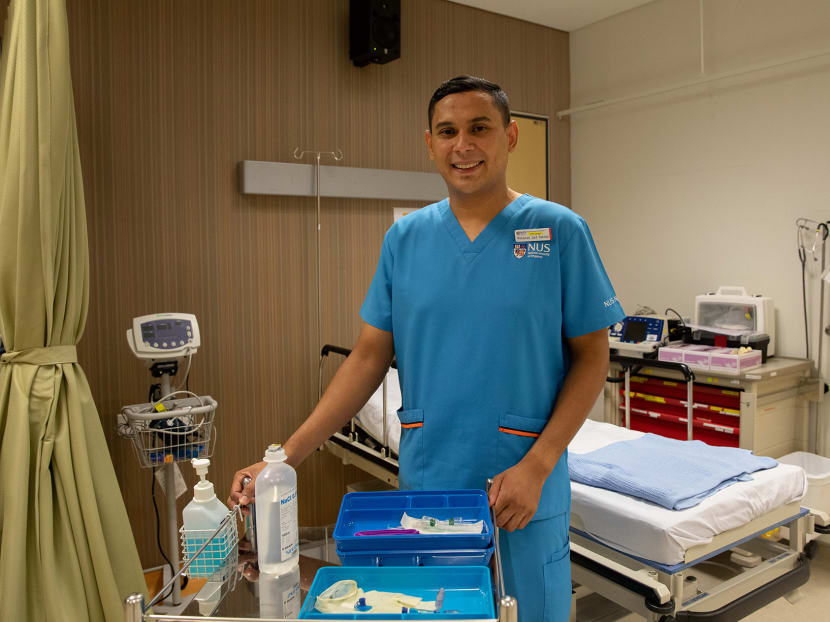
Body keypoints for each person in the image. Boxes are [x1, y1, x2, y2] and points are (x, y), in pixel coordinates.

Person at [228, 75, 624, 622]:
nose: (463, 145)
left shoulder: (558, 231)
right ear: (430, 144)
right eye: (448, 131)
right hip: (428, 487)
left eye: (479, 128)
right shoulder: (406, 240)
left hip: (523, 486)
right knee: (431, 610)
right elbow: (367, 359)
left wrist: (539, 464)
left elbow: (592, 356)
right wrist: (283, 459)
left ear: (509, 137)